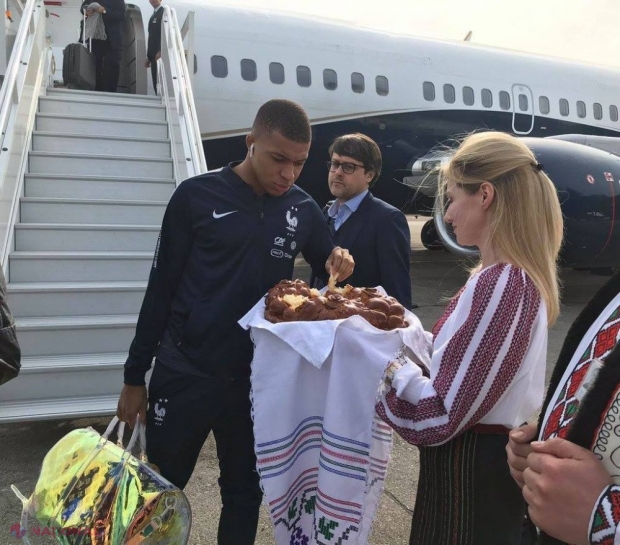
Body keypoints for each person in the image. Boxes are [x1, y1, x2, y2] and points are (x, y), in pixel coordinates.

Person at [116, 99, 354, 545]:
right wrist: (135, 375)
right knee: (158, 491)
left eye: (300, 163)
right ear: (251, 144)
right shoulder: (196, 196)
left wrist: (338, 258)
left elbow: (326, 266)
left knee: (245, 493)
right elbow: (161, 288)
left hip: (256, 380)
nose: (289, 174)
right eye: (278, 159)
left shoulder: (302, 208)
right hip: (186, 371)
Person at [372, 131, 564, 544]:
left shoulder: (504, 283)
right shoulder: (502, 279)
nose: (448, 213)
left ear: (486, 195)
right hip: (473, 474)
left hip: (471, 484)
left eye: (452, 196)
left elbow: (440, 415)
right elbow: (457, 368)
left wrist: (382, 369)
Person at [310, 133, 413, 309]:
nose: (338, 172)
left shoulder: (387, 219)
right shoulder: (326, 213)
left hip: (361, 330)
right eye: (335, 164)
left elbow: (398, 292)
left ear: (369, 175)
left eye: (348, 167)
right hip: (322, 329)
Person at [81, 0, 126, 92]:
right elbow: (83, 6)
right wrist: (86, 10)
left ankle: (111, 91)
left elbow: (121, 15)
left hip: (112, 38)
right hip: (95, 38)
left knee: (113, 64)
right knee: (95, 64)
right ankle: (96, 89)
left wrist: (104, 11)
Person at [145, 0, 163, 93]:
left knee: (160, 81)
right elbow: (151, 37)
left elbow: (164, 34)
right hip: (153, 55)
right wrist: (148, 57)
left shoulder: (164, 12)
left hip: (158, 54)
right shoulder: (153, 16)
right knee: (155, 81)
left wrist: (161, 50)